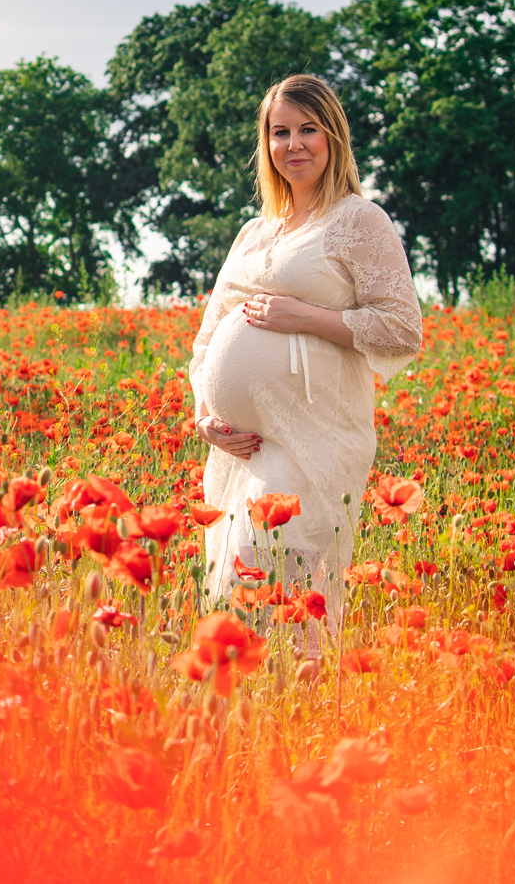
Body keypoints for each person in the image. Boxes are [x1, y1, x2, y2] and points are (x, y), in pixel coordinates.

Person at [189, 73, 422, 659]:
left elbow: (400, 327)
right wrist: (205, 414)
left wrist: (305, 315)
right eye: (280, 132)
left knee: (277, 574)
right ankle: (251, 717)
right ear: (265, 145)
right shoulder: (253, 232)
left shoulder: (359, 220)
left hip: (316, 436)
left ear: (334, 137)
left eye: (308, 129)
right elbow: (209, 333)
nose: (294, 144)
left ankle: (296, 701)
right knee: (238, 587)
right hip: (246, 445)